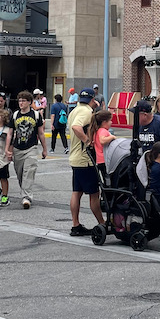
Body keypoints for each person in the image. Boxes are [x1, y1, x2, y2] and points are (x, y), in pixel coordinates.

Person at [68, 89, 103, 236]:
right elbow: (76, 127)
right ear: (92, 99)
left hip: (75, 157)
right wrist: (87, 141)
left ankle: (75, 225)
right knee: (94, 193)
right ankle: (102, 223)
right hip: (85, 159)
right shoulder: (86, 112)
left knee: (77, 192)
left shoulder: (75, 110)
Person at [9, 90, 46, 209]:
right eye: (19, 101)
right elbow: (10, 133)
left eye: (23, 101)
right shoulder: (15, 115)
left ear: (30, 102)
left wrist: (44, 149)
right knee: (20, 174)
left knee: (29, 172)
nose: (21, 103)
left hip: (31, 148)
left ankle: (26, 197)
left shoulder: (36, 115)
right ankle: (25, 192)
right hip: (17, 148)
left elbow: (41, 133)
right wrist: (8, 149)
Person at [92, 109, 114, 183]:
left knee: (105, 178)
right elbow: (102, 140)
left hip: (100, 160)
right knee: (108, 179)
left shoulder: (97, 131)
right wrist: (112, 137)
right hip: (105, 160)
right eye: (110, 120)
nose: (111, 122)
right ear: (104, 122)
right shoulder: (103, 131)